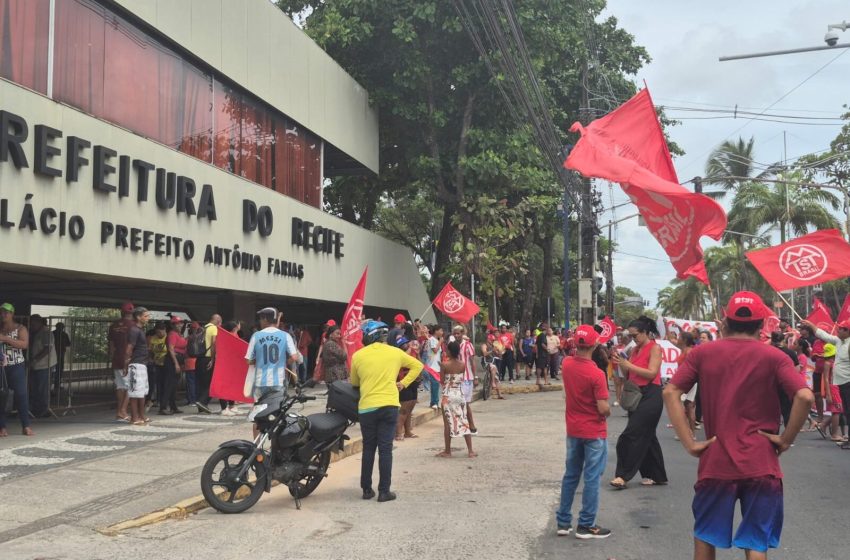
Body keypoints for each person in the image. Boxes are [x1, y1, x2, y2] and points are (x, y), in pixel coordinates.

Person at [664, 291, 814, 560]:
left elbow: (670, 392)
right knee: (756, 543)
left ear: (725, 322)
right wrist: (785, 439)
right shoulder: (775, 357)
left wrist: (689, 442)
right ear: (760, 326)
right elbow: (804, 396)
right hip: (761, 462)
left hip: (716, 460)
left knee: (705, 536)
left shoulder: (702, 354)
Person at [350, 320, 423, 502]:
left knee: (368, 448)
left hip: (367, 407)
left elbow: (354, 383)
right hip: (389, 405)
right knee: (385, 449)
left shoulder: (358, 356)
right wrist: (403, 383)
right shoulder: (395, 352)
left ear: (368, 336)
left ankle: (367, 490)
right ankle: (384, 491)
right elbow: (418, 366)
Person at [556, 324, 611, 539]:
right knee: (592, 478)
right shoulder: (596, 374)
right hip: (594, 431)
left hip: (573, 429)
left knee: (571, 475)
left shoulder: (567, 364)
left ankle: (563, 522)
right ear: (595, 344)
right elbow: (603, 407)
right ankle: (586, 524)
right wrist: (606, 412)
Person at [609, 316, 667, 488]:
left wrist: (628, 364)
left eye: (635, 335)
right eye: (631, 336)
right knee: (648, 437)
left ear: (645, 333)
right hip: (636, 394)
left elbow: (651, 373)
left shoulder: (654, 348)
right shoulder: (634, 350)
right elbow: (630, 374)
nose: (632, 339)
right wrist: (621, 364)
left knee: (630, 436)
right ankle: (657, 475)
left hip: (651, 395)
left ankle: (623, 475)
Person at [245, 307, 299, 436]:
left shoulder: (256, 335)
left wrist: (259, 361)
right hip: (278, 383)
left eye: (260, 318)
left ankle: (257, 448)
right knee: (278, 415)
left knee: (258, 416)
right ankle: (276, 447)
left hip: (260, 383)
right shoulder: (285, 335)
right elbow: (294, 357)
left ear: (265, 319)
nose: (259, 321)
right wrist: (283, 362)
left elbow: (248, 360)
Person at [804, 318, 850, 450]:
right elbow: (823, 334)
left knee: (847, 412)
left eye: (841, 328)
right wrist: (811, 325)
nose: (838, 330)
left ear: (847, 331)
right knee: (846, 412)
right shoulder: (838, 341)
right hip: (840, 383)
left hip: (847, 382)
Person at [435, 340, 476, 458]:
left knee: (447, 423)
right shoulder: (462, 364)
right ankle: (470, 451)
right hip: (459, 393)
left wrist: (441, 367)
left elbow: (442, 381)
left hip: (448, 395)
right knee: (463, 420)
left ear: (449, 351)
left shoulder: (444, 364)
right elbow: (460, 378)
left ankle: (447, 450)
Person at [0, 303, 33, 436]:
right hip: (2, 367)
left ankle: (26, 425)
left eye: (6, 312)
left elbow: (24, 344)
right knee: (1, 396)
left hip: (16, 365)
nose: (3, 315)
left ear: (12, 313)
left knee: (21, 395)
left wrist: (5, 339)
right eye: (1, 312)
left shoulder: (20, 328)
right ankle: (2, 427)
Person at [107, 302, 135, 422]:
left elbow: (111, 344)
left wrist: (113, 357)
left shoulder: (113, 326)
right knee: (131, 386)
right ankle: (123, 411)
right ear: (132, 313)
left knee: (120, 386)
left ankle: (119, 412)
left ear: (121, 312)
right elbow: (133, 344)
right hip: (128, 359)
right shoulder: (133, 326)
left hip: (117, 358)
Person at [126, 307, 152, 426]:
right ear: (138, 317)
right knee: (135, 392)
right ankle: (134, 417)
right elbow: (130, 347)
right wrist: (126, 363)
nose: (148, 318)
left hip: (142, 363)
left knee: (142, 391)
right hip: (135, 364)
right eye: (146, 316)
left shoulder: (140, 330)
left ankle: (141, 415)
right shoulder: (134, 330)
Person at [29, 315, 57, 418]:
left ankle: (44, 410)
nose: (31, 326)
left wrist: (35, 359)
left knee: (42, 388)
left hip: (44, 365)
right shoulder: (37, 333)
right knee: (36, 388)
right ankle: (37, 408)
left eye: (33, 324)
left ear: (39, 322)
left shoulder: (46, 333)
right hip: (37, 365)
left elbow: (47, 349)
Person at [395, 336, 421, 441]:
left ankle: (408, 431)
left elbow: (420, 364)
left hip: (413, 383)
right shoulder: (400, 355)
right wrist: (410, 349)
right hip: (403, 383)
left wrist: (418, 353)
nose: (408, 346)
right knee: (403, 410)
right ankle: (398, 433)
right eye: (405, 345)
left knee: (410, 408)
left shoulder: (413, 353)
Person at [160, 316, 187, 415]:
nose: (180, 324)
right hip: (172, 361)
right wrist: (176, 363)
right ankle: (163, 407)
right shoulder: (172, 334)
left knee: (174, 385)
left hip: (178, 360)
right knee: (169, 384)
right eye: (177, 323)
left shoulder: (179, 334)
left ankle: (173, 406)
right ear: (172, 325)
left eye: (180, 323)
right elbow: (171, 349)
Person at [196, 314, 222, 414]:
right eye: (220, 322)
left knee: (202, 383)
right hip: (207, 358)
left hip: (199, 358)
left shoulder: (203, 328)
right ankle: (202, 402)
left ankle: (201, 406)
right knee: (211, 383)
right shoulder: (213, 328)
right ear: (217, 320)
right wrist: (212, 359)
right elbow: (214, 344)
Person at [148, 322, 168, 409]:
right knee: (158, 383)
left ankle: (166, 401)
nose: (159, 334)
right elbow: (151, 350)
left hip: (167, 364)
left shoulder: (168, 338)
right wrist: (151, 359)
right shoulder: (153, 338)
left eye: (160, 332)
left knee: (166, 383)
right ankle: (159, 400)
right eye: (157, 332)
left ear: (164, 330)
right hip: (157, 364)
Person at [424, 325, 443, 410]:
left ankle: (434, 402)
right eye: (441, 330)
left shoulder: (437, 340)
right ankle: (434, 402)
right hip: (432, 366)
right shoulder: (432, 340)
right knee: (434, 384)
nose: (442, 332)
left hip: (437, 366)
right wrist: (440, 342)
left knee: (436, 385)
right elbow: (435, 350)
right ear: (436, 331)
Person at [183, 322, 200, 406]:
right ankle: (197, 400)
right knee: (197, 382)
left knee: (190, 383)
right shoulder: (201, 339)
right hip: (198, 362)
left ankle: (191, 400)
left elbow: (184, 351)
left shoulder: (187, 339)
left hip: (189, 363)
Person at [52, 322, 71, 386]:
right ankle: (56, 383)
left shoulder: (52, 333)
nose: (61, 328)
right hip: (58, 353)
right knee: (59, 368)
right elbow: (68, 344)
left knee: (54, 368)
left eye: (61, 327)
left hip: (55, 353)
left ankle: (54, 383)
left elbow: (68, 344)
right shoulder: (64, 334)